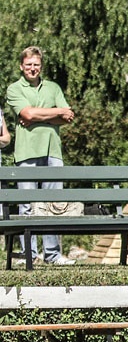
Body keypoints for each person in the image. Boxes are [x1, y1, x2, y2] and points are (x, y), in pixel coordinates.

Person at [6, 46, 75, 265]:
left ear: (41, 66)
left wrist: (37, 117)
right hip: (26, 152)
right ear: (21, 66)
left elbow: (68, 116)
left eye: (36, 64)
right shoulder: (14, 89)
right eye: (28, 65)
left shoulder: (53, 88)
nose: (32, 69)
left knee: (54, 205)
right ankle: (30, 255)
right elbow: (26, 113)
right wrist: (54, 112)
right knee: (27, 205)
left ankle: (53, 255)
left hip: (53, 150)